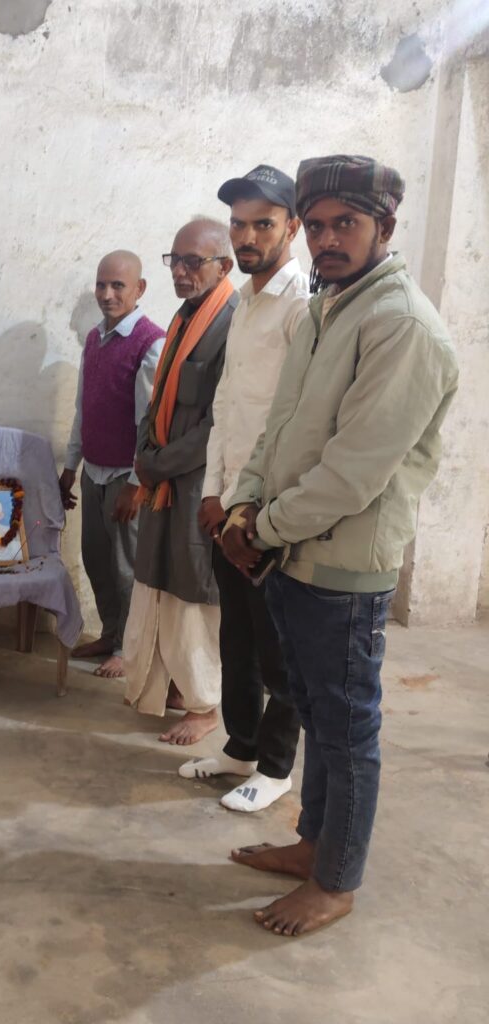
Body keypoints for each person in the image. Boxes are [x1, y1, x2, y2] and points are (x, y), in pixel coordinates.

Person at [222, 155, 458, 936]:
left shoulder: (401, 326)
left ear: (383, 227)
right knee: (318, 716)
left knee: (348, 731)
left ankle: (337, 882)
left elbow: (353, 473)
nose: (327, 238)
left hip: (344, 566)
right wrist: (244, 502)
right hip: (292, 552)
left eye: (345, 224)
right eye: (317, 225)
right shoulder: (327, 307)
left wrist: (261, 528)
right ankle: (313, 845)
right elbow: (279, 426)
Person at [179, 166, 308, 811]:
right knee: (237, 638)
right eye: (238, 224)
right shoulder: (247, 301)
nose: (248, 236)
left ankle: (277, 768)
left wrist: (253, 509)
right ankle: (241, 747)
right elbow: (227, 407)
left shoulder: (302, 305)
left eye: (263, 223)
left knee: (278, 647)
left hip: (267, 510)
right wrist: (212, 492)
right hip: (226, 502)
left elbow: (296, 419)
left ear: (292, 227)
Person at [123, 219, 237, 744]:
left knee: (193, 593)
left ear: (224, 266)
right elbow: (159, 399)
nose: (181, 271)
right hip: (163, 475)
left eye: (194, 261)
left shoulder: (231, 321)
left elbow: (219, 422)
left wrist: (160, 463)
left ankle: (205, 704)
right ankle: (170, 684)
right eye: (176, 260)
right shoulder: (185, 316)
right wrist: (145, 452)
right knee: (160, 582)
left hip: (196, 482)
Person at [60, 251, 166, 679]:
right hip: (94, 471)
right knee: (96, 559)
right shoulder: (94, 339)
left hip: (125, 476)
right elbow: (83, 408)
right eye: (101, 284)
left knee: (128, 568)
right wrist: (71, 466)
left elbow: (150, 423)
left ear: (139, 289)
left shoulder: (151, 343)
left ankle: (128, 647)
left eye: (118, 285)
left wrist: (137, 484)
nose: (107, 294)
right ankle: (109, 633)